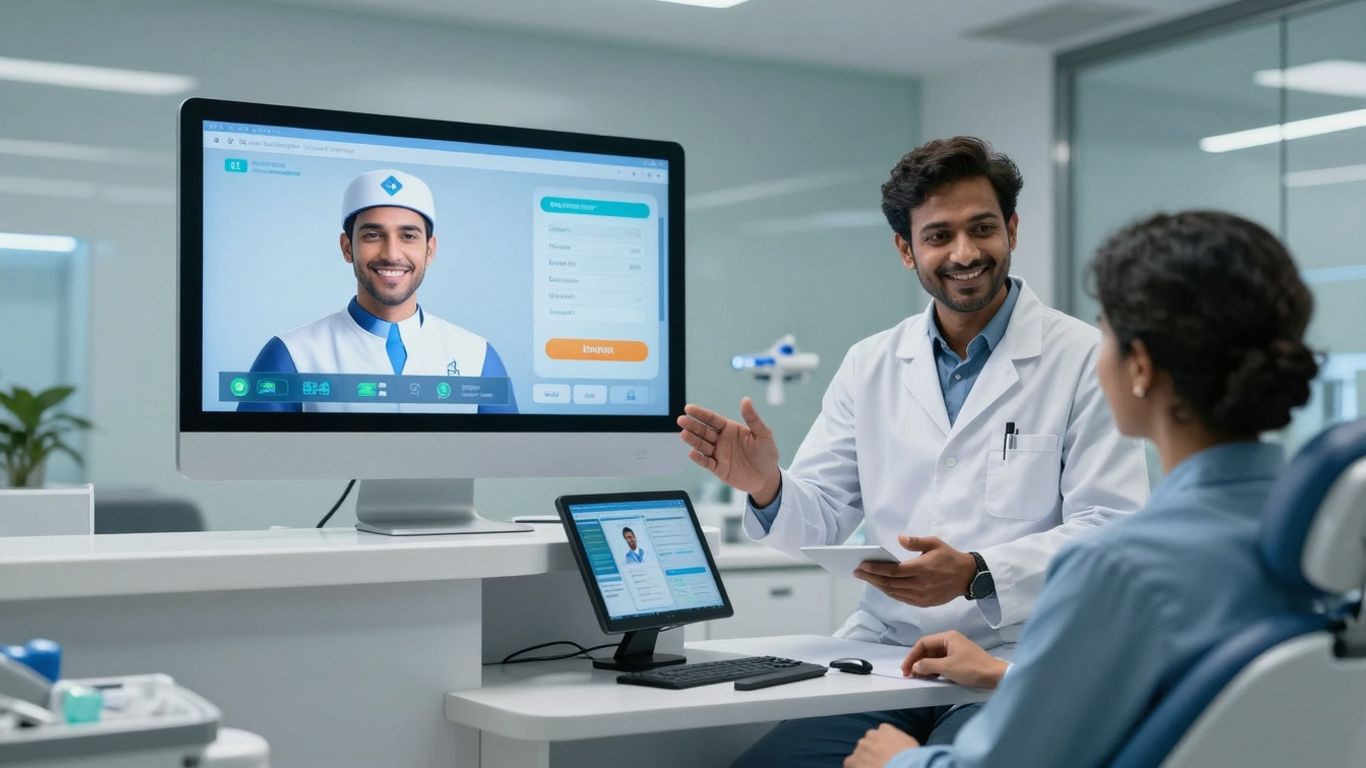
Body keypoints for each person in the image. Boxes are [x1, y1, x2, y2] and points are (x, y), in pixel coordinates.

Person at [677, 136, 1149, 762]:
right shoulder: (870, 363)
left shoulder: (1084, 358)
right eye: (938, 236)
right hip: (888, 654)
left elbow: (1110, 530)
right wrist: (766, 484)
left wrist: (977, 571)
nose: (965, 253)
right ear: (906, 250)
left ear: (1011, 229)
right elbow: (821, 519)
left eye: (983, 228)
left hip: (1018, 659)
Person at [844, 210, 1320, 768]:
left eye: (1106, 333)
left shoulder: (1117, 568)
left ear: (1140, 368)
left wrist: (897, 763)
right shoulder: (1318, 538)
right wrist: (1006, 673)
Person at [240, 168, 517, 413]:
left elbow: (507, 454)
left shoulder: (478, 356)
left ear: (430, 250)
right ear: (347, 248)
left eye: (408, 236)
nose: (392, 254)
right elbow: (250, 453)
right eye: (372, 235)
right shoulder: (290, 355)